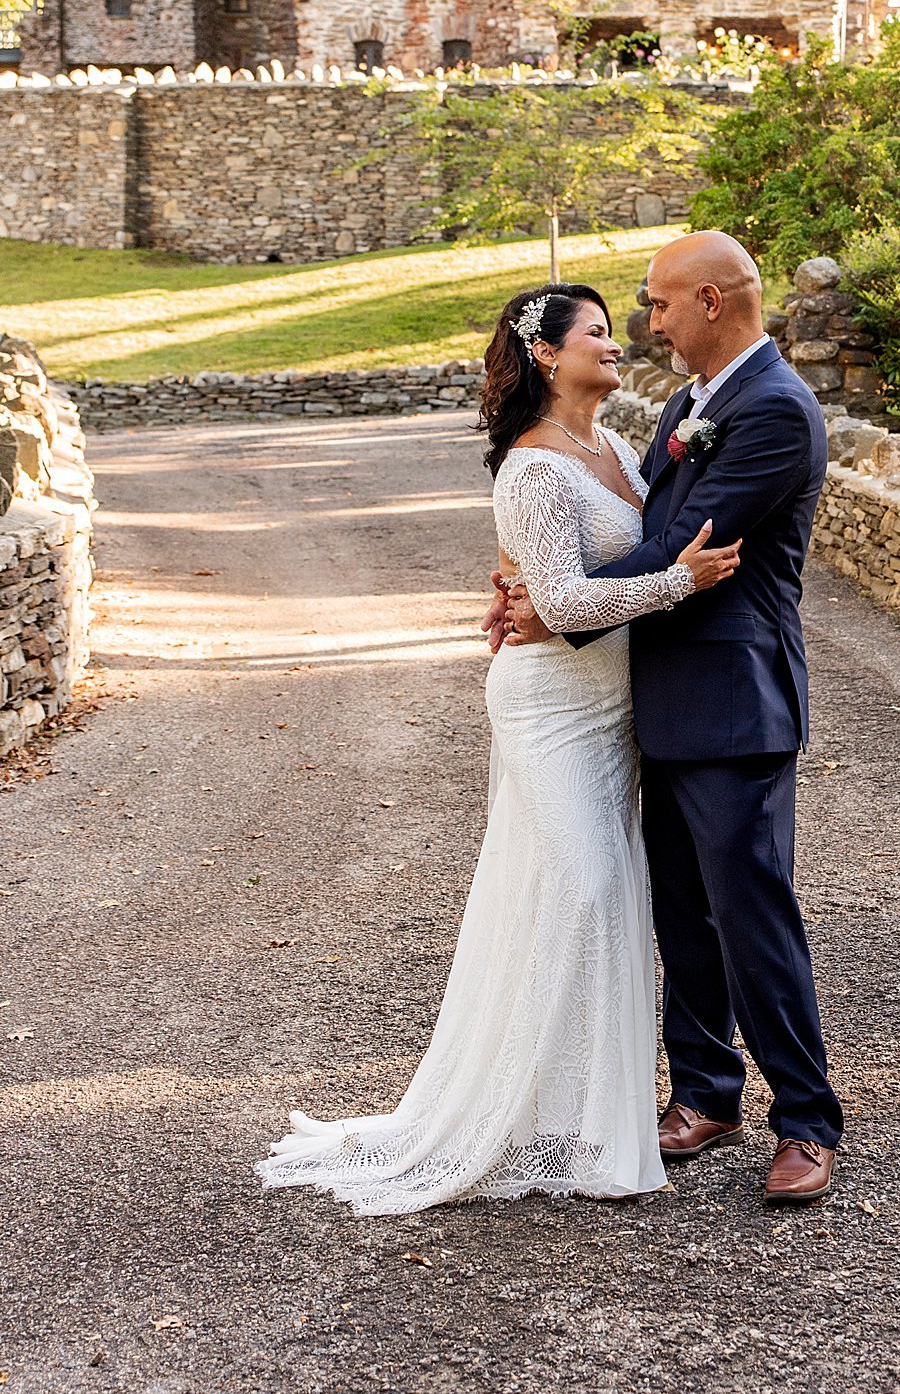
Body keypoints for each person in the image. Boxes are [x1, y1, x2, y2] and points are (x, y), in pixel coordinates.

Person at [256, 282, 740, 1210]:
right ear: (549, 356)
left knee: (592, 896)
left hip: (614, 710)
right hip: (549, 708)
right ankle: (511, 1119)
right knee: (588, 891)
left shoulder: (613, 452)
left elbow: (580, 576)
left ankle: (587, 1120)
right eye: (596, 331)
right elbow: (559, 605)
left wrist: (617, 581)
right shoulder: (530, 467)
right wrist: (677, 583)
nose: (617, 339)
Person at [490, 231, 844, 1203]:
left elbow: (687, 546)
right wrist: (542, 590)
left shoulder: (774, 411)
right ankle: (705, 1089)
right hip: (656, 702)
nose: (649, 322)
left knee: (750, 914)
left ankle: (806, 1119)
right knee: (680, 913)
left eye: (656, 303)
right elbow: (645, 537)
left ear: (712, 301)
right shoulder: (689, 406)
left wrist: (548, 603)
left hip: (736, 702)